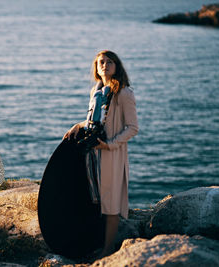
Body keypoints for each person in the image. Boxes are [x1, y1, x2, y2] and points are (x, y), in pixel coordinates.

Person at [63, 50, 138, 258]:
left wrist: (110, 145)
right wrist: (76, 126)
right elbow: (94, 120)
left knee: (111, 204)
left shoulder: (124, 93)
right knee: (97, 200)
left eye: (109, 62)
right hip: (93, 155)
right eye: (101, 62)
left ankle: (107, 250)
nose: (104, 65)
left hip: (110, 154)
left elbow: (132, 127)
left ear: (117, 66)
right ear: (96, 68)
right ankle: (94, 241)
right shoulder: (96, 91)